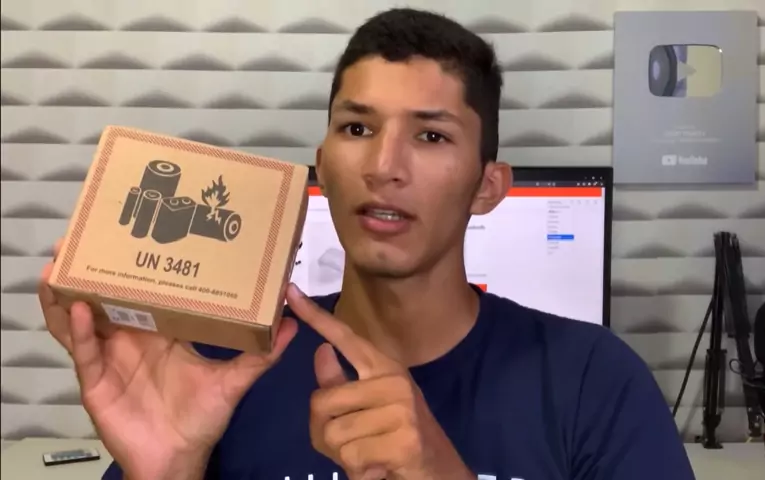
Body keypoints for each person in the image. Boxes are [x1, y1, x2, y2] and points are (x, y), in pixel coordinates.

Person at [38, 8, 694, 480]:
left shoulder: (594, 381)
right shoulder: (222, 373)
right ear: (322, 166)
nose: (383, 167)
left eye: (431, 136)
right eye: (357, 128)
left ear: (487, 186)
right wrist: (168, 471)